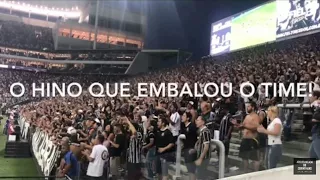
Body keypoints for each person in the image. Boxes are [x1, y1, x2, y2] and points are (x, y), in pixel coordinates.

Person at [232, 101, 260, 172]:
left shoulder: (256, 116)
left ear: (253, 107)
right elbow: (242, 126)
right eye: (247, 106)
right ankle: (245, 172)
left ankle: (256, 174)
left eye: (249, 106)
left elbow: (255, 128)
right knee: (244, 157)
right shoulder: (247, 116)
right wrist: (236, 125)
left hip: (252, 139)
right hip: (245, 139)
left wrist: (245, 126)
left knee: (255, 158)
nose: (247, 108)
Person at [155, 115, 175, 180]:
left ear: (163, 123)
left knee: (164, 173)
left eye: (159, 121)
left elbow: (172, 143)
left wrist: (164, 149)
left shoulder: (168, 132)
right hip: (157, 154)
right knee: (158, 173)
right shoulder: (158, 131)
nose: (157, 123)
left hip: (165, 155)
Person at [180, 111, 198, 180]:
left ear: (188, 118)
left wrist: (194, 148)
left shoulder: (192, 126)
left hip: (191, 150)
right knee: (189, 169)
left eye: (184, 116)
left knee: (192, 170)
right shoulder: (183, 127)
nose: (182, 117)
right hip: (186, 149)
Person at [194, 116, 212, 180]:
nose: (196, 122)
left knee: (201, 176)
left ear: (203, 122)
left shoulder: (205, 132)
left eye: (198, 120)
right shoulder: (201, 131)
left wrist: (201, 159)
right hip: (200, 156)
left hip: (204, 158)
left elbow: (206, 146)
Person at [309, 91, 320, 160]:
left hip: (318, 133)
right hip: (316, 132)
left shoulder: (317, 104)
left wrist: (315, 119)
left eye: (311, 96)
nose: (309, 97)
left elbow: (316, 117)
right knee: (312, 154)